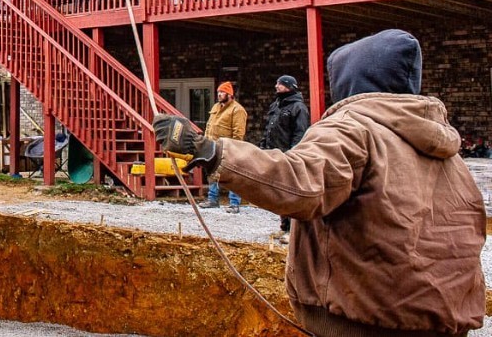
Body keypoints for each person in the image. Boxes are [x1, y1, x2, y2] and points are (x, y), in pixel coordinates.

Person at [154, 29, 485, 336]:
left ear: (349, 80)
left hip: (361, 321)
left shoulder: (352, 128)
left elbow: (298, 181)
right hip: (443, 322)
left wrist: (210, 151)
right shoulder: (447, 152)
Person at [262, 73, 310, 239]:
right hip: (273, 153)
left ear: (289, 86)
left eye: (280, 84)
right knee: (279, 193)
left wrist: (293, 153)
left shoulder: (298, 108)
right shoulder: (276, 105)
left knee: (290, 193)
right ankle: (284, 226)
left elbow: (300, 133)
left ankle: (293, 231)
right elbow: (269, 127)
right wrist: (264, 145)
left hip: (287, 155)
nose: (276, 86)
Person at [200, 81, 246, 213]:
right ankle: (212, 199)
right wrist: (206, 141)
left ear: (230, 94)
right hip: (212, 146)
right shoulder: (216, 107)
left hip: (228, 148)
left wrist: (234, 148)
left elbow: (238, 132)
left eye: (222, 92)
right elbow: (209, 125)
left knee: (232, 175)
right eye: (218, 92)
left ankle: (234, 203)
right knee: (212, 173)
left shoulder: (237, 110)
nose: (219, 94)